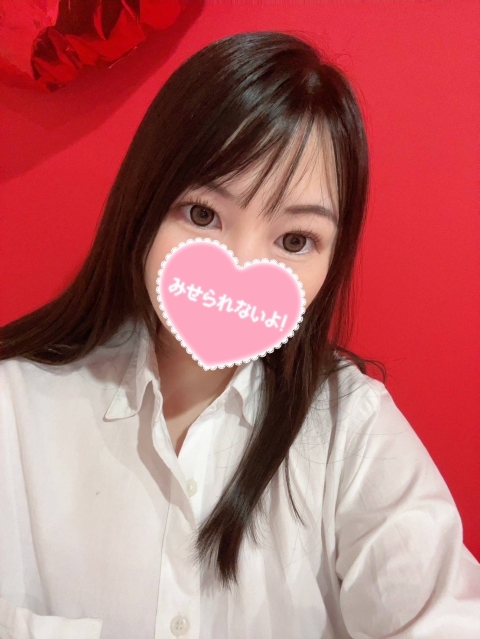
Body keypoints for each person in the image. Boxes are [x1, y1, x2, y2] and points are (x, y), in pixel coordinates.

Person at [0, 30, 479, 639]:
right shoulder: (14, 404)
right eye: (203, 215)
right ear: (143, 204)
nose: (243, 266)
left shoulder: (351, 429)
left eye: (295, 240)